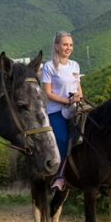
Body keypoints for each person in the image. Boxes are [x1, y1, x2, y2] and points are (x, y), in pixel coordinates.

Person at [41, 31, 83, 191]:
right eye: (65, 44)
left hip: (74, 108)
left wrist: (79, 96)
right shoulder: (49, 66)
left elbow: (78, 86)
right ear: (56, 46)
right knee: (64, 139)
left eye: (70, 45)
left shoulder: (75, 65)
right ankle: (60, 177)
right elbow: (48, 93)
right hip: (56, 111)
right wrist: (68, 101)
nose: (68, 48)